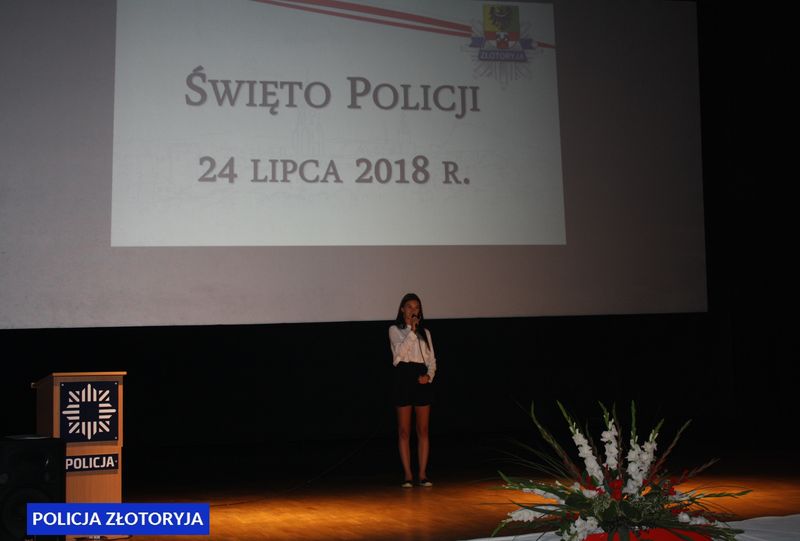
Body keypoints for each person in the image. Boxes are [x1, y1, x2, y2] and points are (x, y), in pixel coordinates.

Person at [389, 292, 436, 488]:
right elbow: (398, 357)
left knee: (423, 430)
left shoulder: (426, 333)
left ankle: (422, 474)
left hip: (420, 379)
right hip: (403, 378)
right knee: (404, 431)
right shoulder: (394, 330)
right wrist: (411, 330)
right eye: (409, 307)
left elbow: (432, 361)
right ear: (402, 309)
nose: (413, 310)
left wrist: (429, 376)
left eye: (416, 307)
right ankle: (408, 474)